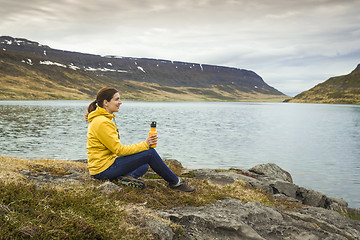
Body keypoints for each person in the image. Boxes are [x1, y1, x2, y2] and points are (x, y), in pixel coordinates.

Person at [85, 87, 195, 192]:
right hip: (103, 170)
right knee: (150, 154)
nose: (120, 102)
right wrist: (145, 144)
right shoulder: (102, 122)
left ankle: (125, 179)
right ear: (106, 102)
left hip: (105, 166)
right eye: (117, 99)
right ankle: (176, 183)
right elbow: (119, 150)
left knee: (144, 164)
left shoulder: (105, 119)